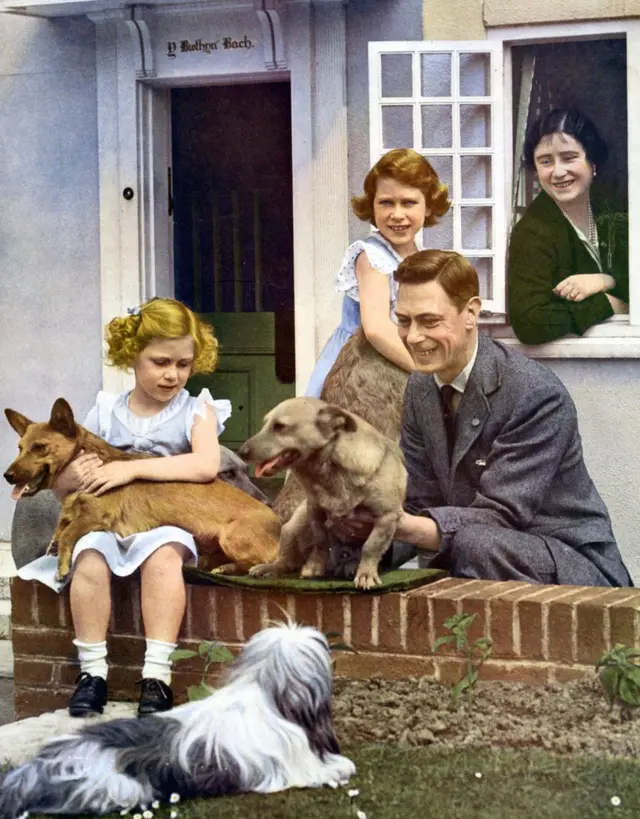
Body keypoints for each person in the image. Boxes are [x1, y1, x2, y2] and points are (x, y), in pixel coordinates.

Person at [331, 249, 633, 587]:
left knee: (474, 544)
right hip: (483, 551)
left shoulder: (535, 393)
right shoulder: (420, 387)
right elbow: (418, 501)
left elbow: (501, 516)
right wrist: (365, 526)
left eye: (430, 321)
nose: (413, 337)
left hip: (574, 566)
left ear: (471, 313)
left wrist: (396, 524)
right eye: (403, 321)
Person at [17, 298, 232, 717]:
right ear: (131, 356)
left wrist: (130, 471)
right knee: (89, 557)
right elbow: (69, 470)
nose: (173, 374)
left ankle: (156, 677)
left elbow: (206, 465)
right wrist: (72, 476)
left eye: (183, 364)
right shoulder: (108, 410)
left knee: (165, 557)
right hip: (109, 521)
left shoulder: (195, 409)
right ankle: (92, 673)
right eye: (160, 362)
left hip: (167, 519)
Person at [305, 148, 450, 397]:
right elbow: (376, 328)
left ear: (428, 207)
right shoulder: (372, 257)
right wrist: (425, 372)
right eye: (386, 203)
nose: (397, 214)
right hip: (361, 366)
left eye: (408, 203)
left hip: (396, 358)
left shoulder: (420, 256)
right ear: (372, 206)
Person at [508, 108, 629, 345]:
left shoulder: (616, 208)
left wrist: (605, 281)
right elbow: (530, 321)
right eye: (545, 162)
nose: (558, 172)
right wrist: (610, 303)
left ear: (592, 161)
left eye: (569, 157)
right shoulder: (533, 231)